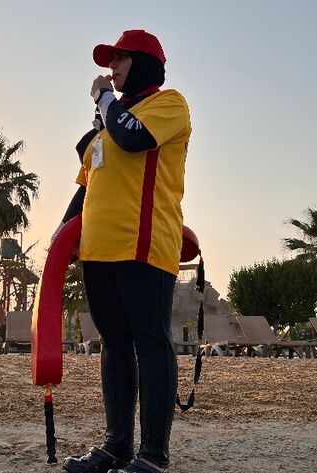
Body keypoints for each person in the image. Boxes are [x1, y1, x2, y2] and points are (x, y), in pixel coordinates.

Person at [60, 30, 192, 473]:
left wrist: (103, 101)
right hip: (98, 251)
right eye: (109, 61)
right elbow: (84, 190)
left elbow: (135, 138)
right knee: (114, 344)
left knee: (150, 342)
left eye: (120, 59)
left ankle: (153, 457)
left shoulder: (168, 104)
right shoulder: (104, 131)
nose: (110, 68)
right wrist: (61, 240)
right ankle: (116, 446)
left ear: (145, 63)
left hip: (145, 245)